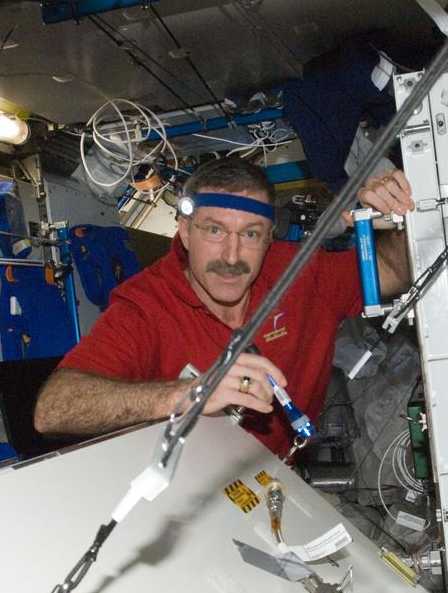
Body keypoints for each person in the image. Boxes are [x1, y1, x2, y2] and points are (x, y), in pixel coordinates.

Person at [33, 156, 413, 456]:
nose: (231, 256)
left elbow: (395, 270)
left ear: (268, 240)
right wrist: (193, 394)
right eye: (214, 230)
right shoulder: (146, 306)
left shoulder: (300, 273)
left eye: (250, 234)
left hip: (283, 476)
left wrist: (397, 217)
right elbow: (54, 409)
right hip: (192, 491)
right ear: (184, 230)